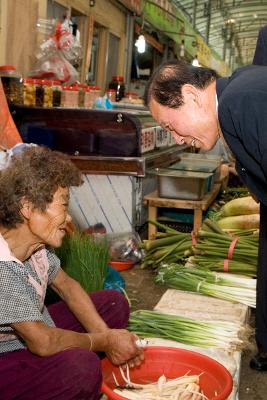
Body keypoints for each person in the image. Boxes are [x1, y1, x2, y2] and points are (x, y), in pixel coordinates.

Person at [144, 60, 267, 371]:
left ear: (191, 95)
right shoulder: (235, 96)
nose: (177, 139)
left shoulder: (242, 102)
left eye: (170, 126)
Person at [0, 145, 144, 399]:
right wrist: (106, 342)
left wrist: (106, 335)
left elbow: (67, 286)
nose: (68, 219)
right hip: (7, 356)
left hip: (26, 335)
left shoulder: (35, 247)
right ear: (28, 207)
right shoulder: (3, 266)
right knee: (81, 368)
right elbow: (43, 342)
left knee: (113, 304)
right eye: (63, 206)